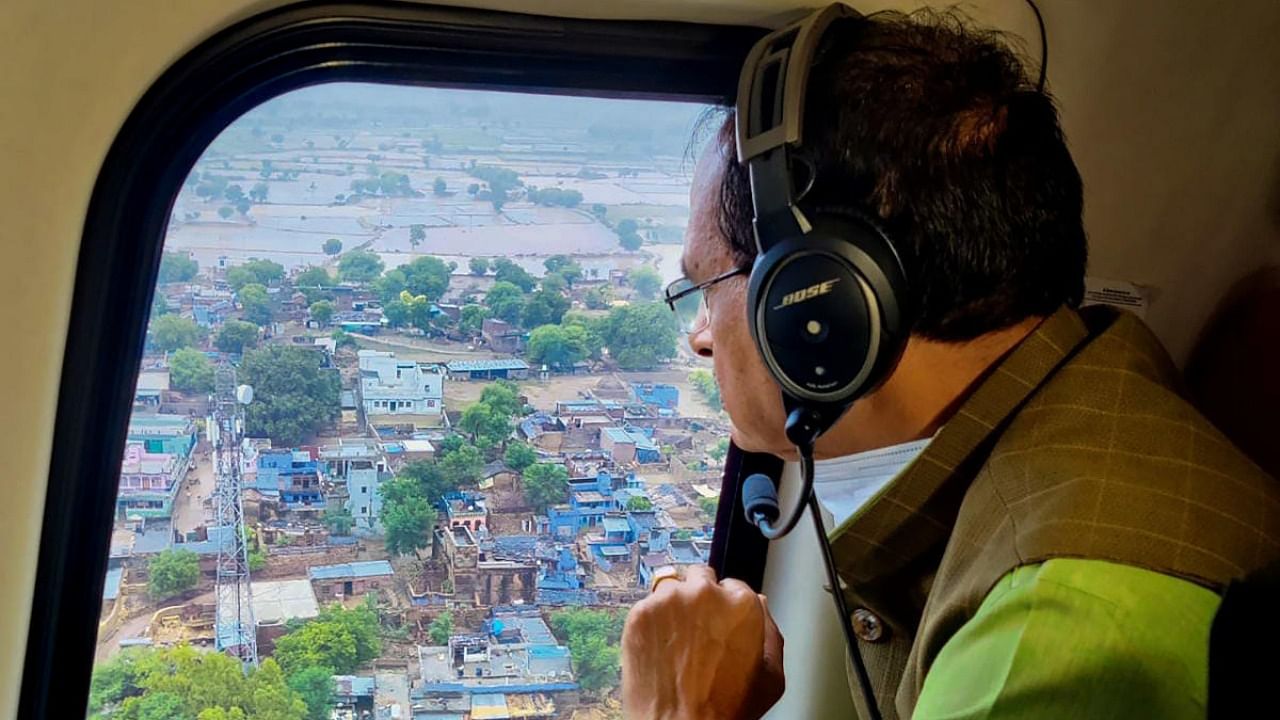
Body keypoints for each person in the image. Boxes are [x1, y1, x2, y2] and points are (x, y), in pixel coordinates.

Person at [622, 8, 1280, 720]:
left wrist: (682, 712)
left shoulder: (1053, 643)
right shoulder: (1095, 383)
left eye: (705, 288)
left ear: (818, 304)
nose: (699, 337)